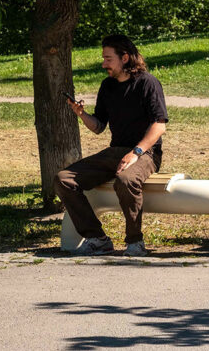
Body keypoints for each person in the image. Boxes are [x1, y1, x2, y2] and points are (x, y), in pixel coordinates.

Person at [54, 35, 168, 257]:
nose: (103, 64)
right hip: (115, 151)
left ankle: (135, 242)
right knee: (64, 180)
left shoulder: (148, 83)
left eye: (108, 58)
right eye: (103, 58)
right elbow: (98, 126)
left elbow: (159, 125)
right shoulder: (107, 86)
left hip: (146, 152)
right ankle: (97, 239)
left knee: (126, 180)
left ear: (125, 58)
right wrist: (81, 114)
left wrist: (135, 153)